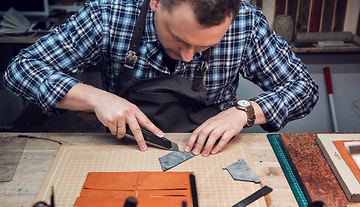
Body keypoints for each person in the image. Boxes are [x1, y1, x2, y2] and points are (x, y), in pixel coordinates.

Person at [3, 0, 319, 157]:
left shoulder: (246, 23)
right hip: (124, 146)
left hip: (211, 150)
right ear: (156, 1)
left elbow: (303, 89)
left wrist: (245, 112)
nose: (186, 57)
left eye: (205, 47)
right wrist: (95, 96)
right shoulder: (109, 16)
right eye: (178, 39)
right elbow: (21, 70)